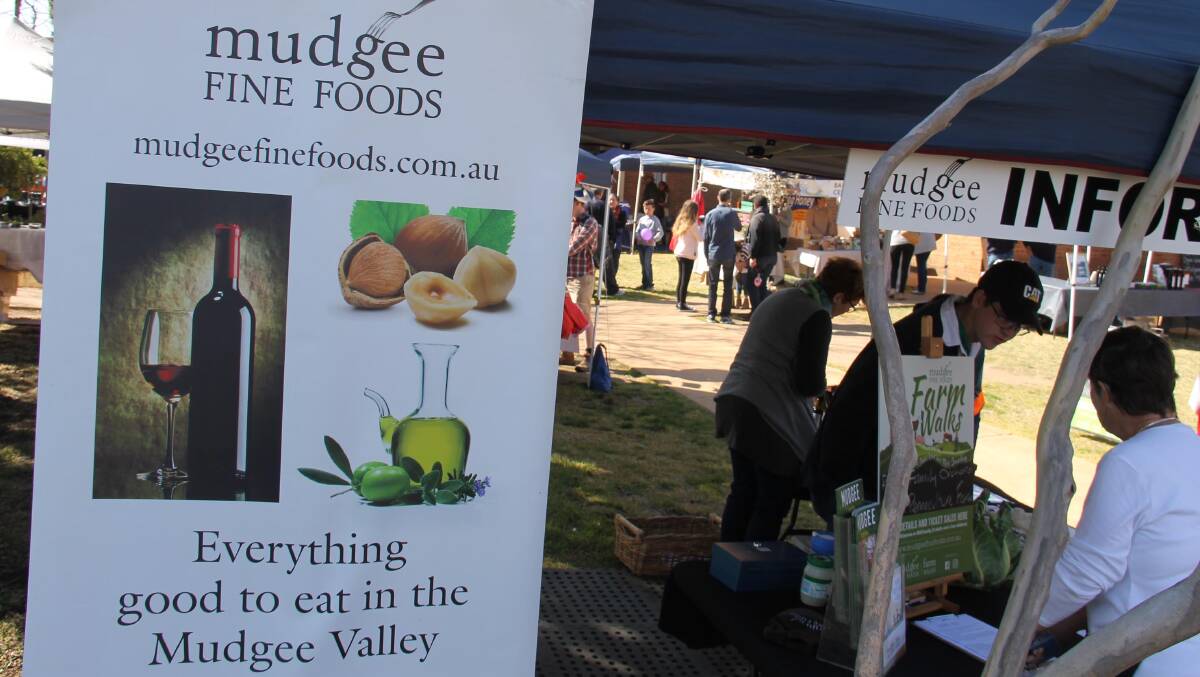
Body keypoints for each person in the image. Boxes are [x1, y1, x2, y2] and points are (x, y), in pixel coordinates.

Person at [806, 260, 1045, 522]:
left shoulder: (974, 343)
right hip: (861, 486)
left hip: (908, 493)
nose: (1008, 332)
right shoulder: (914, 339)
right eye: (1005, 319)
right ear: (979, 299)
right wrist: (846, 502)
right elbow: (855, 414)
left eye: (1018, 327)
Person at [1031, 327, 1200, 674]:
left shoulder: (1128, 463)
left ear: (1103, 392)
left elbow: (1091, 571)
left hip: (1137, 659)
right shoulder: (1191, 447)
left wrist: (1026, 618)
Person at [716, 258, 865, 541]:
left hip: (736, 399)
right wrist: (824, 391)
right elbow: (807, 382)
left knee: (744, 491)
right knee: (770, 500)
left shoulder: (784, 295)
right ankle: (753, 570)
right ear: (839, 297)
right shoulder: (816, 314)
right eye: (850, 306)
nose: (845, 312)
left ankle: (726, 564)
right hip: (766, 412)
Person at [560, 190, 599, 369]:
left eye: (571, 202)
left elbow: (572, 247)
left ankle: (589, 355)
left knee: (582, 317)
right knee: (567, 316)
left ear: (579, 204)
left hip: (583, 276)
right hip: (566, 276)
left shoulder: (590, 223)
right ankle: (567, 354)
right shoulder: (569, 223)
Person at [702, 188, 742, 324]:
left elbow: (706, 237)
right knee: (728, 284)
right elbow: (739, 227)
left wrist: (706, 255)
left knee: (712, 284)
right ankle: (725, 315)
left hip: (713, 252)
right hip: (728, 253)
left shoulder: (710, 214)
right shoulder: (731, 213)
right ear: (729, 199)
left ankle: (711, 313)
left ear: (718, 198)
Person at [746, 195, 783, 312]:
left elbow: (754, 239)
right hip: (771, 256)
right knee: (761, 283)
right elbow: (779, 238)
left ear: (756, 205)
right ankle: (762, 310)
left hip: (760, 257)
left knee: (753, 283)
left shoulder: (757, 219)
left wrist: (753, 256)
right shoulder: (773, 218)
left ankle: (756, 311)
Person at [671, 199, 702, 312]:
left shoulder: (681, 220)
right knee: (685, 279)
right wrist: (701, 226)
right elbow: (701, 237)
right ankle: (682, 303)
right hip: (688, 253)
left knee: (681, 278)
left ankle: (679, 301)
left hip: (680, 251)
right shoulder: (692, 223)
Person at [634, 199, 663, 290]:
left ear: (653, 209)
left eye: (649, 209)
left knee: (647, 263)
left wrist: (653, 239)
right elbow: (637, 231)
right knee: (643, 264)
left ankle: (650, 284)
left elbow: (660, 232)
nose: (647, 210)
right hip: (641, 244)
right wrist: (638, 237)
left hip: (649, 246)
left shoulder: (655, 220)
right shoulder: (642, 219)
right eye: (645, 208)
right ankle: (644, 283)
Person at [604, 195, 630, 296]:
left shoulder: (622, 213)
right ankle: (609, 283)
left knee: (614, 261)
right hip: (606, 239)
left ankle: (612, 281)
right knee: (606, 262)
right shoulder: (605, 211)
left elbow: (621, 224)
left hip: (617, 240)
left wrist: (612, 223)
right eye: (610, 199)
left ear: (618, 202)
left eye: (613, 200)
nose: (611, 201)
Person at [888, 230, 916, 297]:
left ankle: (893, 289)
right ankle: (901, 292)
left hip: (895, 240)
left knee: (894, 267)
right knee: (905, 268)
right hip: (909, 241)